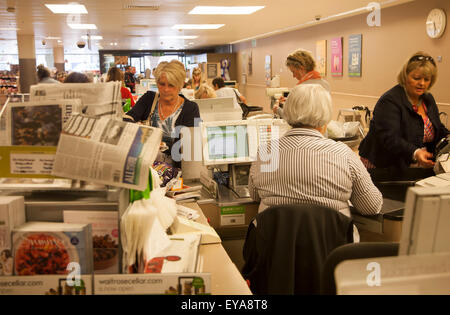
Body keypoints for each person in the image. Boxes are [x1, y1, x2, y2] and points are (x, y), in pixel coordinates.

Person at [248, 84, 382, 227]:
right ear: (325, 116)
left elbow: (255, 195)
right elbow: (371, 207)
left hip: (274, 246)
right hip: (331, 246)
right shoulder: (343, 155)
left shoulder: (267, 153)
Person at [358, 51, 449, 178]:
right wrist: (416, 152)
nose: (422, 83)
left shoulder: (428, 99)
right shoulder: (390, 100)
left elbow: (437, 128)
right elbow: (390, 138)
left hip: (411, 168)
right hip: (383, 166)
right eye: (416, 78)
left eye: (426, 79)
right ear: (405, 77)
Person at [123, 60, 200, 166]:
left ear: (180, 85)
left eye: (171, 85)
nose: (165, 89)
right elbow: (126, 119)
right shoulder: (149, 99)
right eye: (162, 84)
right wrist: (141, 131)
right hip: (143, 164)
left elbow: (190, 150)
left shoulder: (190, 108)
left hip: (173, 170)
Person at [273, 49, 330, 117]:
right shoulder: (325, 84)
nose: (293, 76)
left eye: (293, 72)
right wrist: (292, 101)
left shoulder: (300, 89)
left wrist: (277, 109)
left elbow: (292, 118)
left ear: (301, 68)